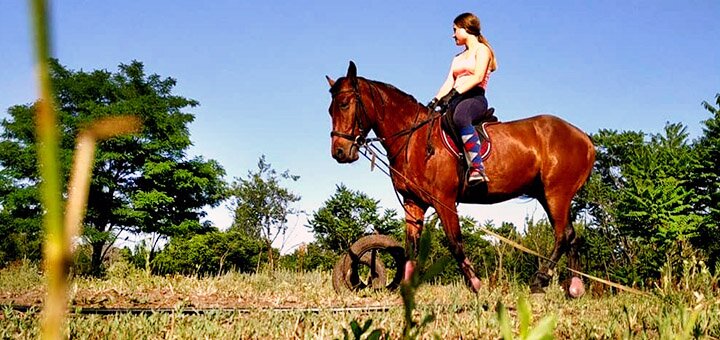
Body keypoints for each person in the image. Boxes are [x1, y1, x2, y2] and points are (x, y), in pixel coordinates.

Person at [428, 12, 497, 184]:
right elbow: (448, 82)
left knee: (460, 116)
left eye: (455, 29)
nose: (453, 34)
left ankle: (477, 168)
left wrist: (454, 93)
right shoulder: (457, 58)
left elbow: (478, 77)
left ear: (466, 28)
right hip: (455, 98)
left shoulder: (483, 50)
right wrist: (434, 101)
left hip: (474, 98)